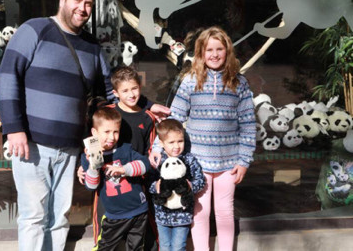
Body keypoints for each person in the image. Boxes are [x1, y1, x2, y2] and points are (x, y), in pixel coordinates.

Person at [0, 0, 170, 251]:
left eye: (88, 3)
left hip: (70, 148)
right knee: (33, 217)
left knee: (59, 218)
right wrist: (13, 128)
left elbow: (110, 91)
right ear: (63, 0)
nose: (83, 8)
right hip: (32, 143)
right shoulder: (34, 30)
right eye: (77, 0)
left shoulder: (91, 46)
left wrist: (145, 105)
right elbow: (7, 77)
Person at [149, 26, 256, 251]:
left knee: (225, 211)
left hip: (229, 162)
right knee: (199, 211)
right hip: (198, 162)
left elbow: (247, 124)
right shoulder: (190, 80)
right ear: (200, 53)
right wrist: (159, 146)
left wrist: (244, 160)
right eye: (209, 50)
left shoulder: (239, 83)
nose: (215, 54)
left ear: (227, 52)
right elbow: (175, 118)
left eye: (219, 49)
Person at [79, 66, 158, 248]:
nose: (131, 94)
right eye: (125, 90)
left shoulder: (148, 118)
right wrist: (84, 164)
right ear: (116, 93)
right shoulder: (107, 112)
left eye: (134, 89)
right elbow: (89, 140)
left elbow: (150, 155)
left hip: (135, 187)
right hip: (106, 190)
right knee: (106, 240)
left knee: (139, 241)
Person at [81, 107, 151, 250]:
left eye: (115, 132)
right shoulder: (87, 157)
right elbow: (91, 186)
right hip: (113, 216)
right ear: (94, 133)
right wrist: (94, 165)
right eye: (106, 132)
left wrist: (124, 169)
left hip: (138, 211)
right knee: (104, 247)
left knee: (137, 247)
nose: (112, 137)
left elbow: (145, 165)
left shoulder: (125, 149)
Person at [149, 119, 205, 251]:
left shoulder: (188, 159)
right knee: (164, 246)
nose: (176, 146)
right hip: (162, 214)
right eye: (171, 142)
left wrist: (190, 186)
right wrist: (156, 186)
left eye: (180, 141)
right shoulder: (157, 160)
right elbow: (149, 182)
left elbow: (200, 180)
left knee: (178, 247)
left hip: (182, 215)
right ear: (161, 143)